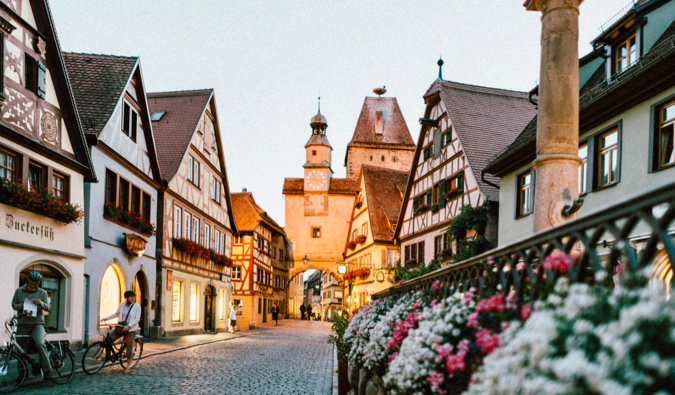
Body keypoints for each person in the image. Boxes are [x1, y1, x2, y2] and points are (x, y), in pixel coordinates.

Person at [11, 271, 52, 379]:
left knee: (40, 344)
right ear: (28, 280)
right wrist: (23, 305)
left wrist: (41, 303)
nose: (33, 285)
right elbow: (14, 305)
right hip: (23, 323)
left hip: (37, 323)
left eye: (36, 284)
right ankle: (22, 375)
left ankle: (48, 371)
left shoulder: (42, 292)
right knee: (21, 349)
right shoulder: (19, 291)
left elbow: (48, 307)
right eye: (32, 283)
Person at [102, 290, 140, 373]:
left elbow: (137, 319)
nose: (133, 298)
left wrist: (129, 326)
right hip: (120, 327)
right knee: (107, 340)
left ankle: (128, 366)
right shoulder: (122, 305)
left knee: (129, 347)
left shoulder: (137, 306)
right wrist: (106, 318)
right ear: (126, 298)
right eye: (131, 297)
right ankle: (108, 356)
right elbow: (116, 314)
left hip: (130, 329)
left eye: (134, 297)